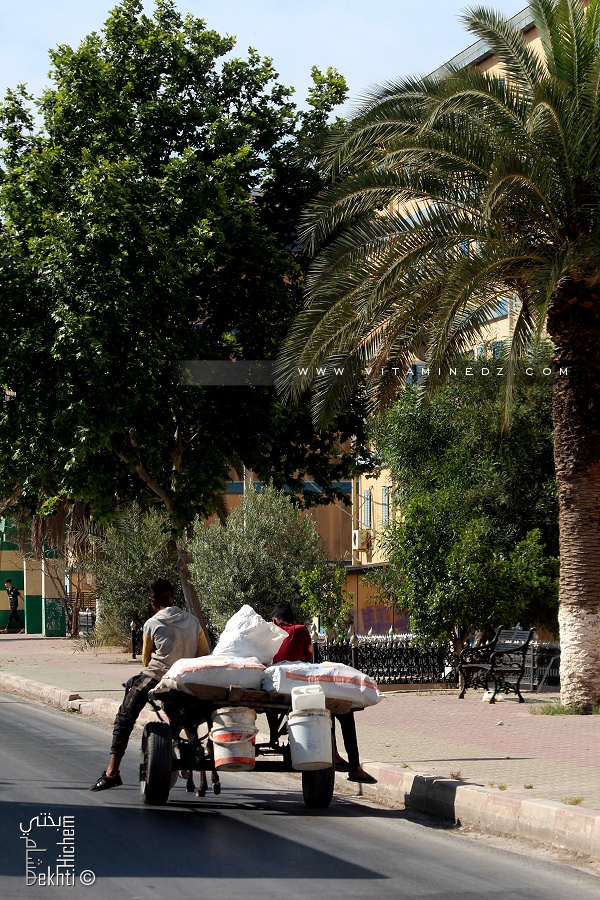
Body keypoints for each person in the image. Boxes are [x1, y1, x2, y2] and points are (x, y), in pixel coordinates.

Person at [90, 578, 209, 792]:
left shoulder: (152, 623)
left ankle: (112, 772)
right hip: (186, 678)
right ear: (173, 596)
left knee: (125, 718)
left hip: (157, 677)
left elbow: (146, 660)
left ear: (152, 601)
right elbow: (203, 653)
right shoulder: (193, 622)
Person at [270, 603, 376, 784]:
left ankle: (333, 753)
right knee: (341, 713)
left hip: (274, 687)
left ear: (274, 620)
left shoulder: (269, 633)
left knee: (329, 710)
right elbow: (308, 659)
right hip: (302, 688)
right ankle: (354, 766)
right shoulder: (301, 630)